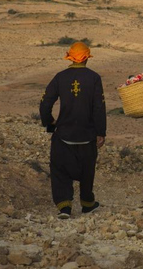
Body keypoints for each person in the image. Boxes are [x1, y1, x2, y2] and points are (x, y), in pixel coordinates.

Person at [40, 41, 106, 219]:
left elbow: (45, 103)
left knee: (60, 169)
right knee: (87, 169)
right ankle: (87, 204)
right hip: (87, 135)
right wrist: (101, 132)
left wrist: (49, 123)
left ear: (69, 57)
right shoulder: (94, 78)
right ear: (87, 58)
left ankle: (64, 207)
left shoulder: (60, 77)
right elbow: (99, 108)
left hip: (63, 135)